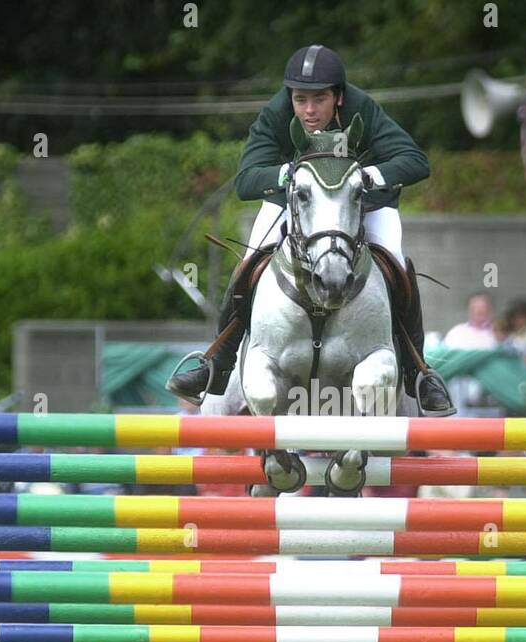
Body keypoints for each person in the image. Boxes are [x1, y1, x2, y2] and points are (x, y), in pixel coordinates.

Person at [167, 44, 454, 415]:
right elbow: (246, 180)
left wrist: (368, 176)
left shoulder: (361, 107)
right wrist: (290, 176)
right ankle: (216, 364)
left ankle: (419, 373)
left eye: (319, 99)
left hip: (364, 203)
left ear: (338, 96)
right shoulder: (276, 114)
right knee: (250, 261)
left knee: (397, 266)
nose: (308, 110)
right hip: (298, 203)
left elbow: (415, 161)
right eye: (300, 100)